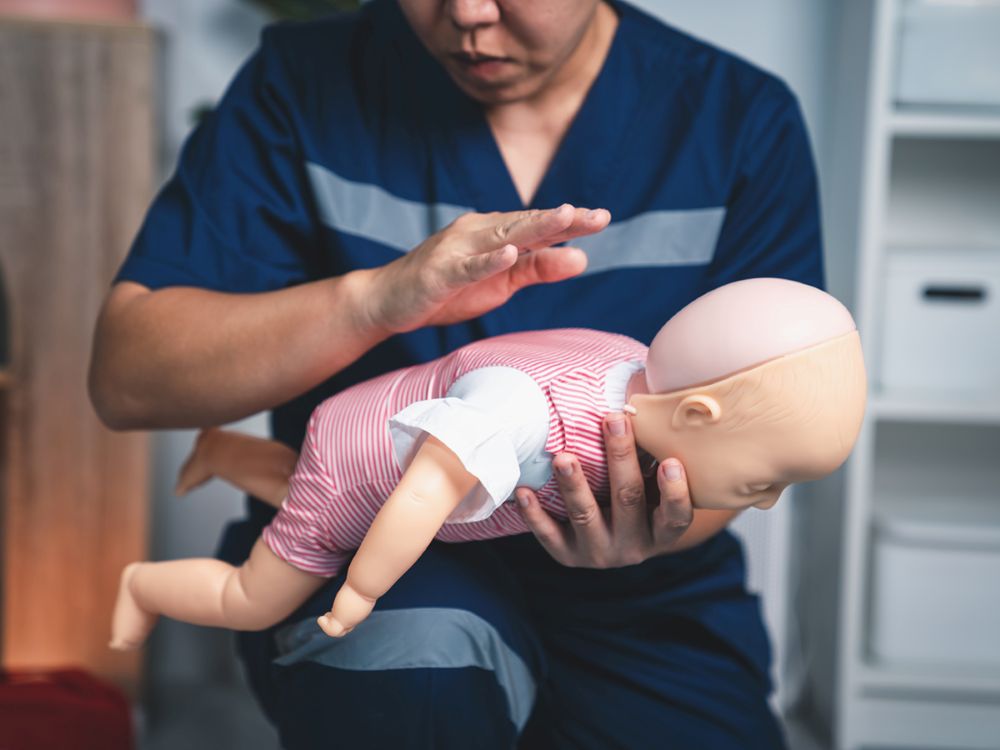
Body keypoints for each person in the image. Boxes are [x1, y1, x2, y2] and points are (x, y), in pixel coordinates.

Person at [89, 0, 824, 747]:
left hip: (644, 596)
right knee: (418, 673)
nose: (469, 14)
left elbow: (765, 423)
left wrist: (658, 530)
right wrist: (376, 299)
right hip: (387, 559)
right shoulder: (302, 85)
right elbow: (129, 377)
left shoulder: (739, 119)